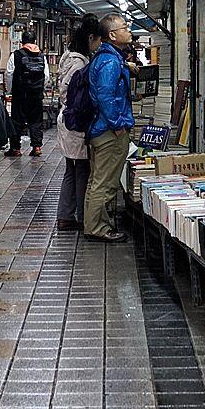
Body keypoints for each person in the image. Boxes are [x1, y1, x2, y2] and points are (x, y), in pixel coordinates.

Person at [83, 13, 135, 242]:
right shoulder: (109, 61)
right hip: (108, 131)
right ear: (113, 35)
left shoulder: (109, 58)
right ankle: (98, 228)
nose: (129, 30)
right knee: (105, 183)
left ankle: (94, 224)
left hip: (101, 129)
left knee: (98, 181)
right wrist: (118, 125)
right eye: (125, 27)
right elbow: (105, 95)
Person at [56, 14, 102, 231]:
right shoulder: (78, 63)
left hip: (68, 120)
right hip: (75, 122)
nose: (99, 45)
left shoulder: (69, 56)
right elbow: (71, 93)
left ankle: (66, 215)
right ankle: (82, 216)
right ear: (90, 37)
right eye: (98, 40)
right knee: (81, 169)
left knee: (72, 169)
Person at [5, 30, 50, 156]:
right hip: (36, 95)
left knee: (17, 121)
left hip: (20, 94)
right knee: (36, 121)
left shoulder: (16, 55)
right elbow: (46, 76)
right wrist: (40, 88)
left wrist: (10, 90)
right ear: (35, 41)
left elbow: (9, 73)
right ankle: (36, 147)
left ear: (22, 42)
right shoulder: (42, 56)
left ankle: (15, 148)